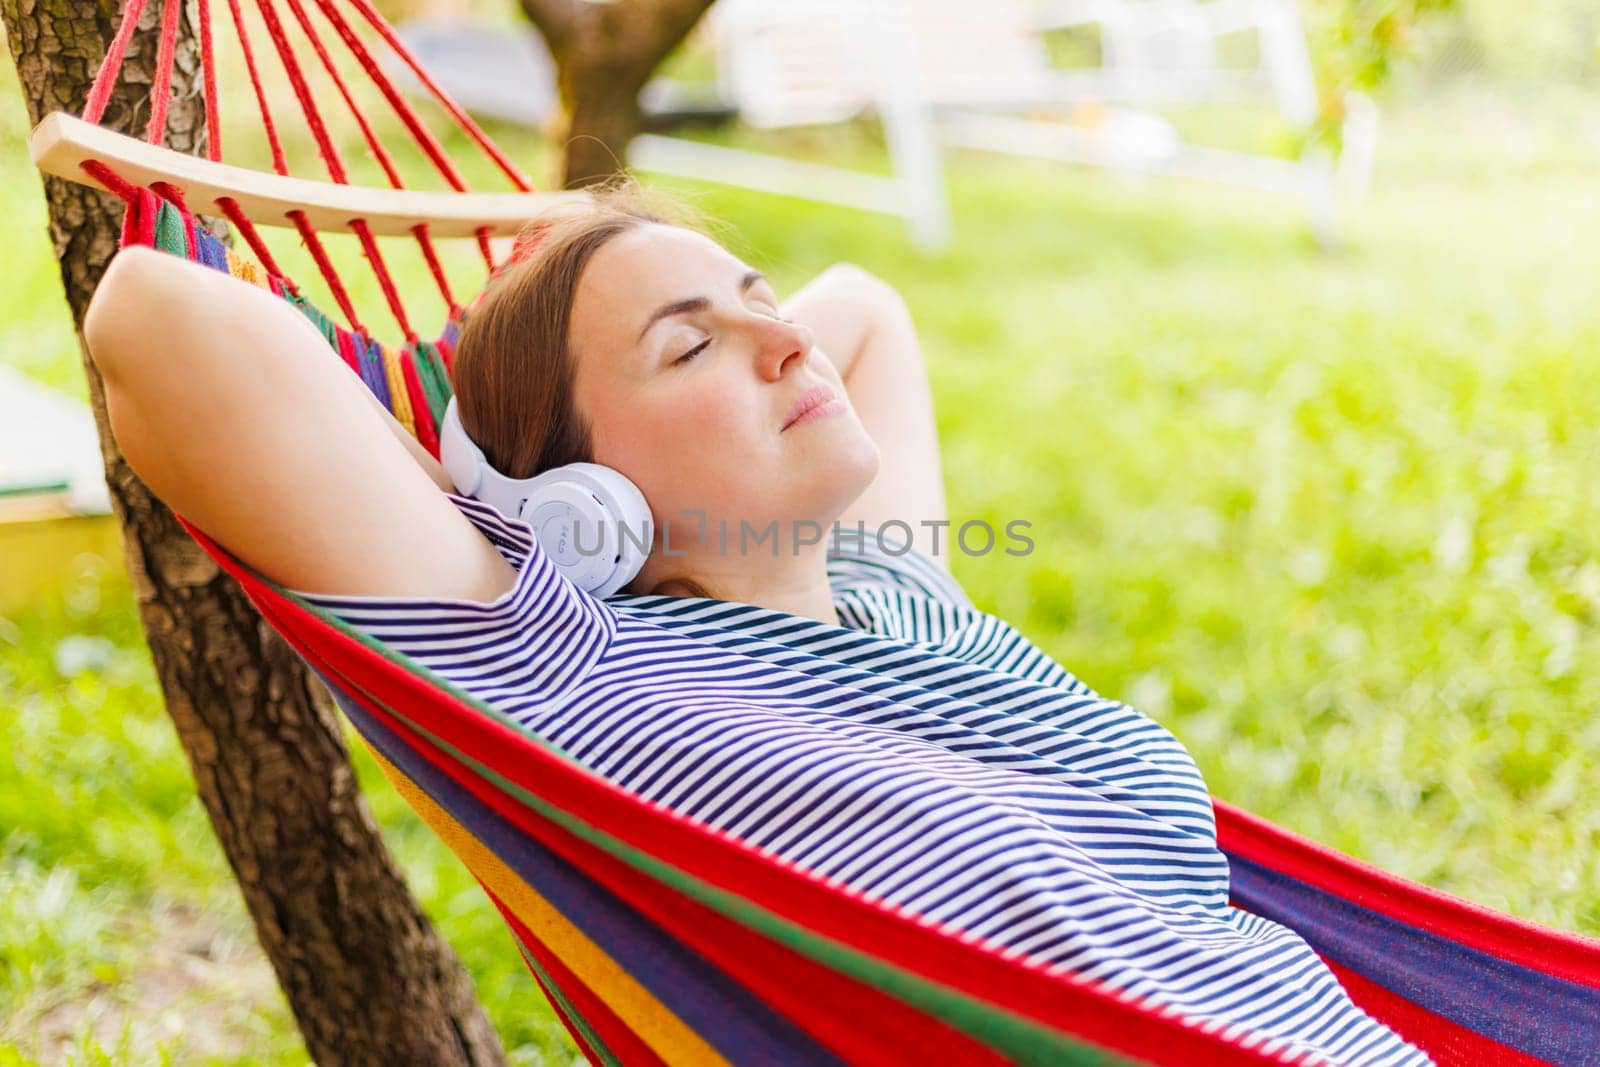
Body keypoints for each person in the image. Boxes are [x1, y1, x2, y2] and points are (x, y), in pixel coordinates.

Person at [83, 189, 1428, 1066]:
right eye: (691, 350)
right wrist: (490, 496)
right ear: (584, 507)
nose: (789, 348)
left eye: (758, 305)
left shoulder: (899, 588)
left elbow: (867, 311)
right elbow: (153, 312)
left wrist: (634, 265)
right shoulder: (568, 662)